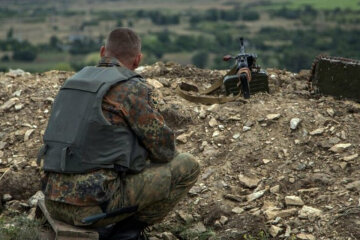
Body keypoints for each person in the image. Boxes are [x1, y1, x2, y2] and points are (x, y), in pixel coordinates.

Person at [39, 27, 200, 239]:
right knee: (188, 165)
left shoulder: (71, 84)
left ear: (102, 51)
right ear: (137, 60)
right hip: (94, 209)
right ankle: (126, 234)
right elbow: (165, 151)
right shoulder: (131, 88)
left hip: (54, 201)